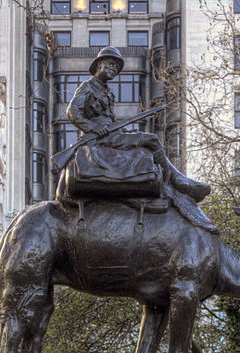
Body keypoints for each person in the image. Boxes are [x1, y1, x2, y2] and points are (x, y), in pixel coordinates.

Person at [66, 46, 217, 232]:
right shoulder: (87, 87)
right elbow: (72, 112)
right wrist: (94, 128)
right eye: (110, 65)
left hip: (111, 135)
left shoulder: (108, 92)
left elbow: (109, 119)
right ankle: (177, 180)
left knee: (143, 146)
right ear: (99, 64)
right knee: (152, 140)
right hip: (97, 139)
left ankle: (174, 180)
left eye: (116, 67)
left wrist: (118, 128)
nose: (114, 69)